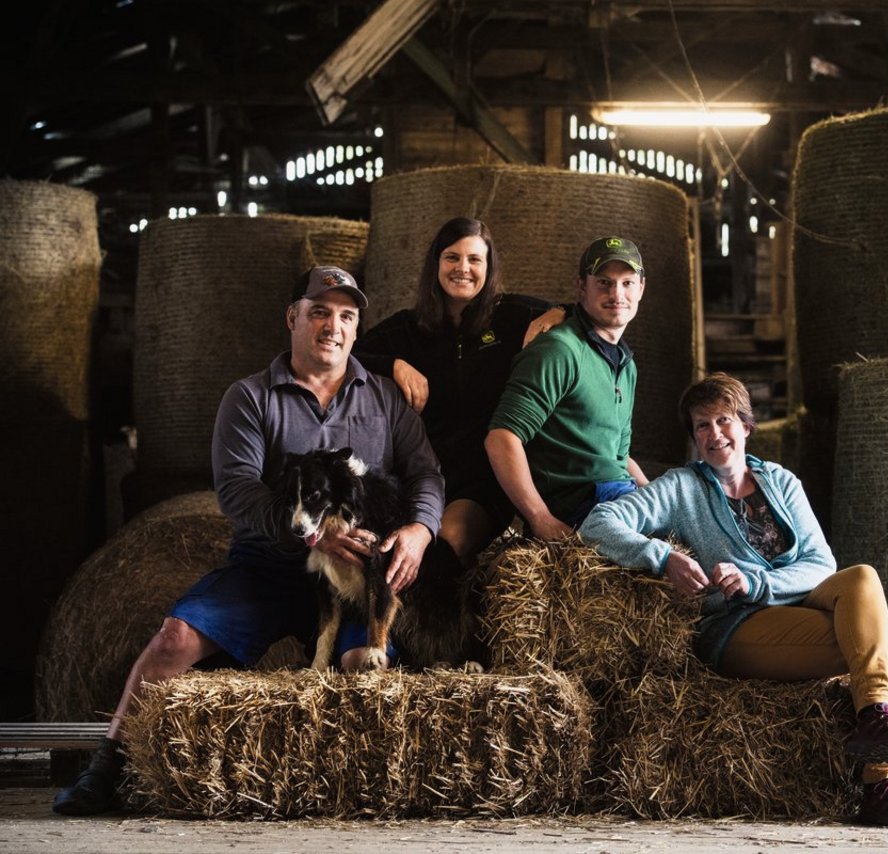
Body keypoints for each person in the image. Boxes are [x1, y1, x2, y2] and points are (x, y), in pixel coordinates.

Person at [52, 265, 445, 816]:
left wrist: (420, 529)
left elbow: (427, 473)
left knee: (362, 663)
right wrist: (311, 537)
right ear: (292, 318)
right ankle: (106, 767)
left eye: (346, 317)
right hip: (269, 564)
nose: (332, 326)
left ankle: (349, 785)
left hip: (355, 574)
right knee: (174, 639)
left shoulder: (384, 397)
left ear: (357, 329)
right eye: (319, 312)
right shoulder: (250, 397)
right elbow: (237, 490)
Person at [578, 373, 888, 828]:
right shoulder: (681, 487)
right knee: (876, 637)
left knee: (862, 578)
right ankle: (885, 781)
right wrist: (663, 557)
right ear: (693, 438)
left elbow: (820, 564)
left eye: (723, 421)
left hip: (797, 600)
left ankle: (878, 727)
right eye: (702, 426)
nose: (714, 434)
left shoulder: (781, 481)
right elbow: (598, 524)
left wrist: (756, 581)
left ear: (746, 426)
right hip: (736, 625)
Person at [356, 217, 563, 564]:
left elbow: (580, 314)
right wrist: (393, 364)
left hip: (483, 479)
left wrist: (559, 313)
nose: (462, 268)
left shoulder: (512, 316)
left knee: (445, 546)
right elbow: (347, 354)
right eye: (452, 257)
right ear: (436, 263)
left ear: (488, 266)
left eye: (474, 259)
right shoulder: (408, 329)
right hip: (420, 474)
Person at [485, 236, 651, 540]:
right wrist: (540, 517)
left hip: (617, 495)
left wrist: (659, 498)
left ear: (641, 288)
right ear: (582, 287)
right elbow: (501, 438)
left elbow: (619, 456)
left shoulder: (626, 364)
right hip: (584, 504)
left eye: (627, 283)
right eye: (604, 282)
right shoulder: (558, 350)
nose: (617, 293)